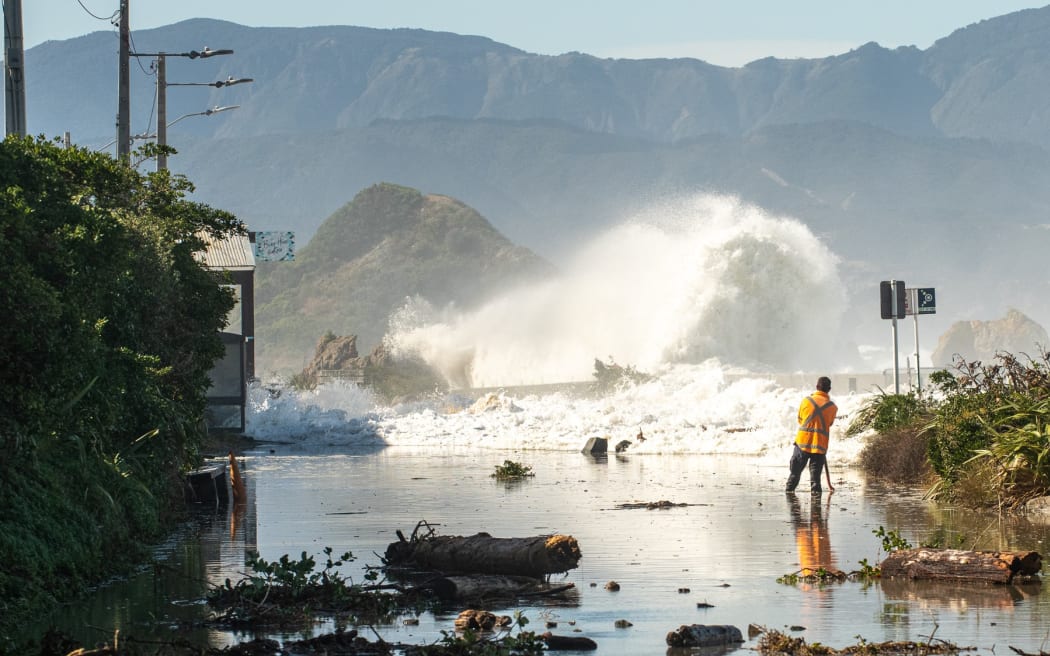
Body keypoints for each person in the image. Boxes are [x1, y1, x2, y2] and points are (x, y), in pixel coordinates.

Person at [786, 376, 837, 494]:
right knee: (815, 481)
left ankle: (789, 495)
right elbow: (829, 424)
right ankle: (816, 508)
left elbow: (800, 419)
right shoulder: (833, 407)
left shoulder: (806, 401)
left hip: (802, 444)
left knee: (794, 475)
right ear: (829, 389)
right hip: (820, 446)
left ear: (817, 387)